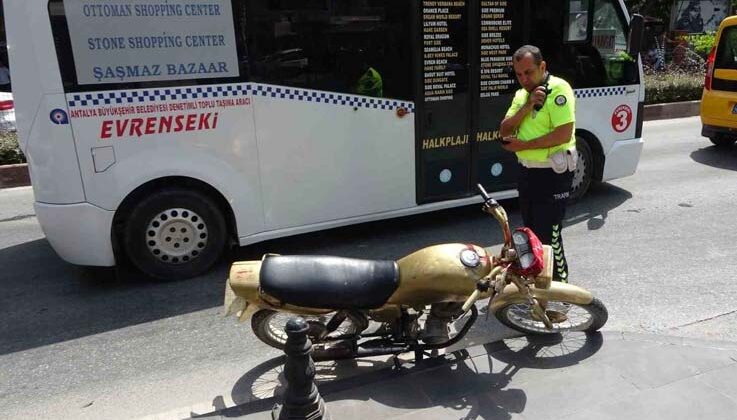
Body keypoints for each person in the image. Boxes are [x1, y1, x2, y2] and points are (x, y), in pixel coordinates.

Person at [499, 45, 577, 282]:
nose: (524, 78)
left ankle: (560, 289)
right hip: (527, 173)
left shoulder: (559, 89)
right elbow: (504, 129)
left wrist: (523, 145)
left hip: (553, 175)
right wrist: (528, 105)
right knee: (530, 233)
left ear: (542, 67)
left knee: (550, 237)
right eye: (519, 74)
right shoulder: (522, 95)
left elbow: (563, 134)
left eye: (529, 72)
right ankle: (535, 283)